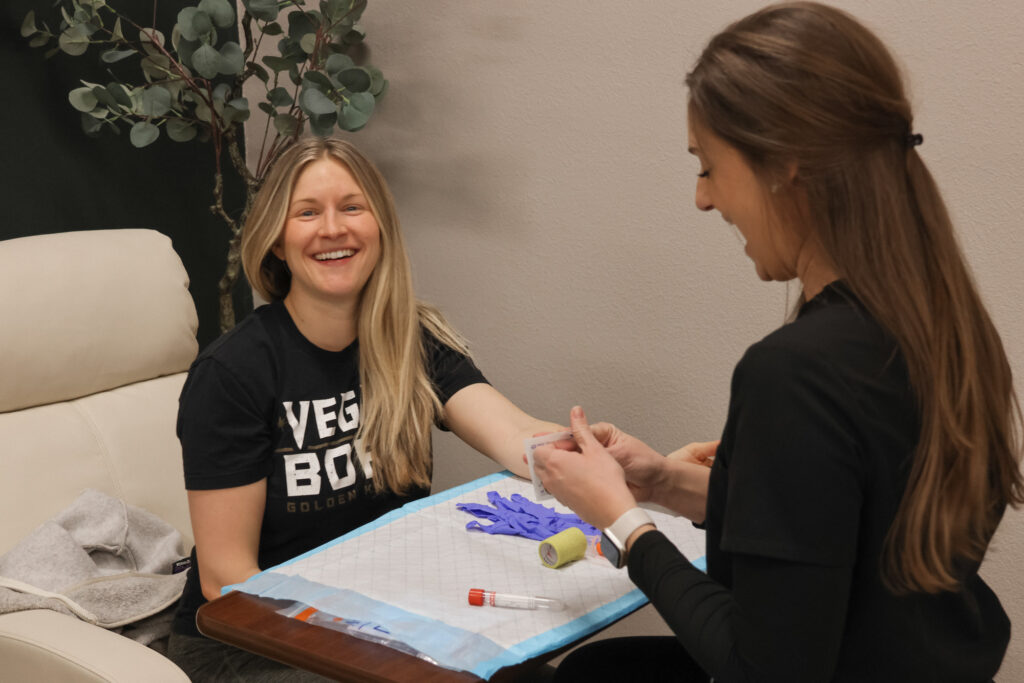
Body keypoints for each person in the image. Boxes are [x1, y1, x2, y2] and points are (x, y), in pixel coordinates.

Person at [533, 3, 1023, 682]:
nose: (704, 199)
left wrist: (620, 521)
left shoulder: (794, 374)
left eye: (708, 167)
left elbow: (765, 669)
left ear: (785, 164)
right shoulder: (945, 324)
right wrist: (668, 484)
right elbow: (850, 537)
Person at [166, 137, 564, 681]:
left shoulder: (412, 341)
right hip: (250, 640)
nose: (333, 229)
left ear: (380, 228)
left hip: (381, 611)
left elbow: (519, 436)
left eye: (352, 207)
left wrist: (621, 463)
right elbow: (227, 579)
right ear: (278, 242)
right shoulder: (233, 374)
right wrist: (371, 642)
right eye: (307, 213)